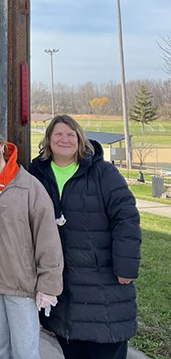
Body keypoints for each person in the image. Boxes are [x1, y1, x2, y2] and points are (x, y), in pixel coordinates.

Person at [28, 115, 141, 359]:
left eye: (71, 134)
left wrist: (126, 266)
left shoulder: (103, 173)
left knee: (105, 346)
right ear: (47, 140)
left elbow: (126, 218)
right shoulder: (37, 174)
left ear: (80, 140)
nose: (64, 139)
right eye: (58, 134)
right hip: (63, 283)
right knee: (72, 346)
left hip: (103, 280)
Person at [0, 124, 64, 359]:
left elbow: (47, 237)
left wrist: (49, 284)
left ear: (1, 146)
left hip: (20, 286)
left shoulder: (30, 186)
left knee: (25, 352)